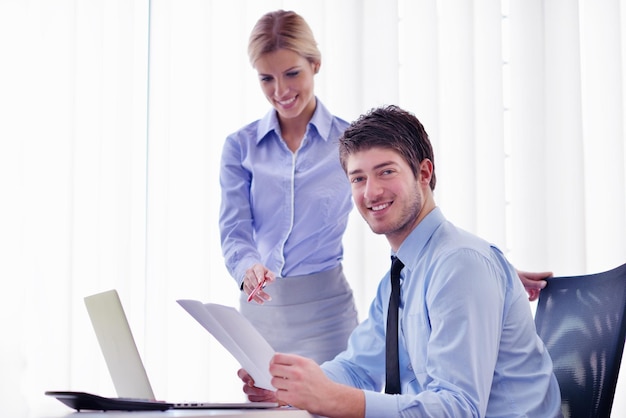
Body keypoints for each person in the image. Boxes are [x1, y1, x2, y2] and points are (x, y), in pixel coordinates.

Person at [219, 9, 550, 365]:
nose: (280, 90)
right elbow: (234, 229)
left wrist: (484, 268)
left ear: (315, 64)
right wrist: (248, 267)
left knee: (332, 400)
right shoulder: (241, 147)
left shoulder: (350, 145)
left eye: (292, 73)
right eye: (266, 79)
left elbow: (408, 207)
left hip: (325, 313)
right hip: (260, 312)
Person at [237, 105, 562, 417]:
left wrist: (337, 400)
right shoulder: (400, 277)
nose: (371, 192)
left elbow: (459, 408)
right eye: (358, 179)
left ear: (423, 172)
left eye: (386, 172)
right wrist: (290, 386)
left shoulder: (460, 265)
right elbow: (357, 368)